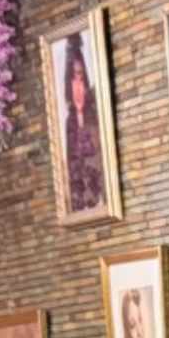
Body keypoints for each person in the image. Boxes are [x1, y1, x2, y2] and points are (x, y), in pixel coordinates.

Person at [56, 34, 109, 215]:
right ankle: (82, 203)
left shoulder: (92, 107)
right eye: (74, 75)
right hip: (76, 134)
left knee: (92, 164)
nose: (77, 79)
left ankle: (95, 199)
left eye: (80, 74)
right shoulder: (70, 117)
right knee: (77, 168)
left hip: (88, 135)